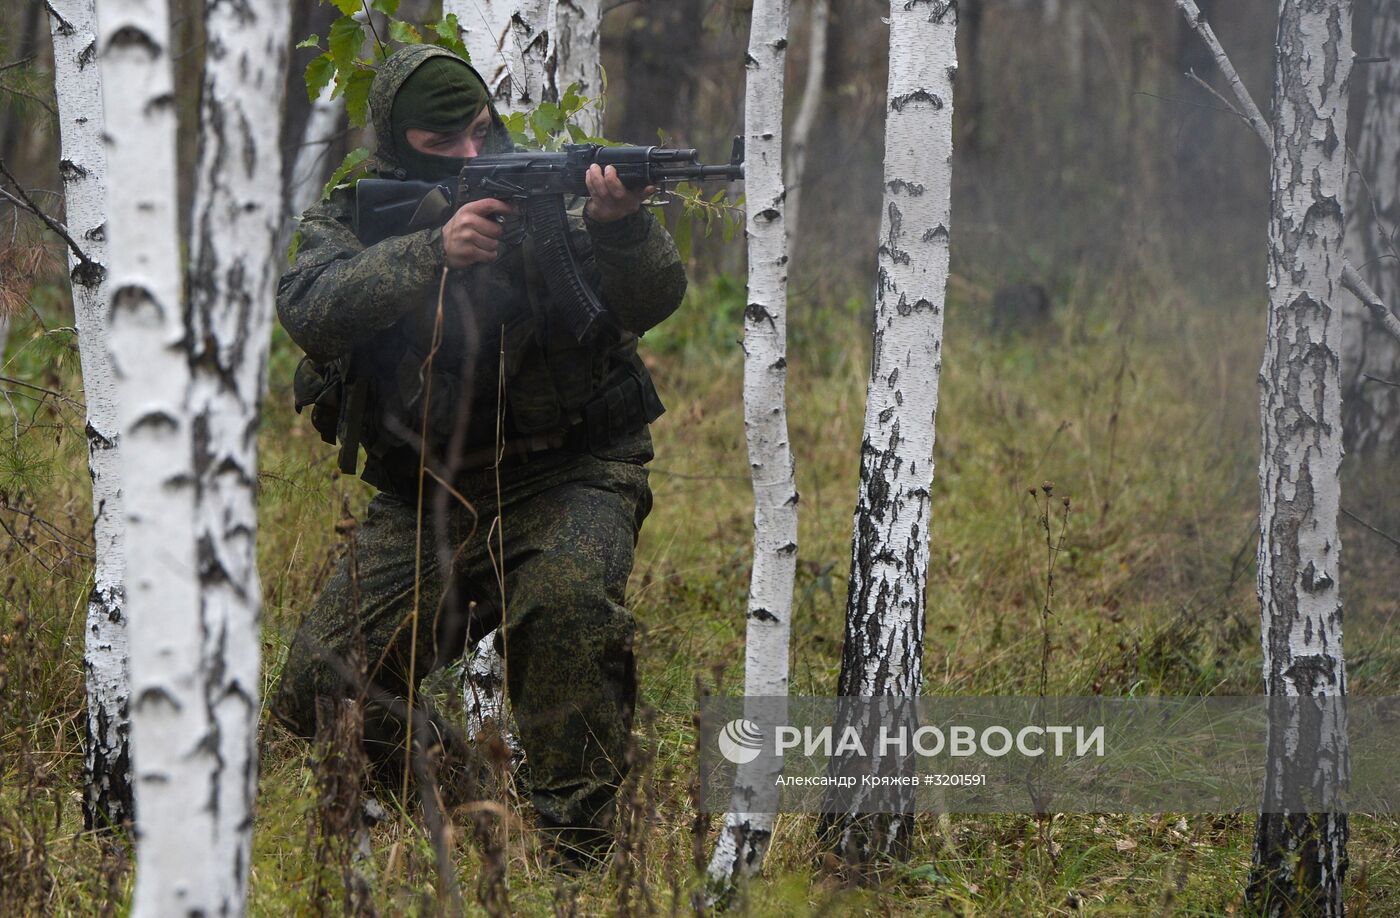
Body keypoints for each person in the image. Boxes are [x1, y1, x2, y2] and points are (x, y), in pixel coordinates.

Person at [270, 44, 686, 863]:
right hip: (429, 494)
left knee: (565, 608)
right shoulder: (354, 211)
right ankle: (476, 805)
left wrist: (620, 225)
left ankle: (580, 855)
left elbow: (655, 297)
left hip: (572, 470)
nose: (470, 154)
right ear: (397, 142)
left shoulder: (545, 191)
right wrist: (431, 253)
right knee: (319, 686)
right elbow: (311, 309)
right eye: (440, 142)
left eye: (478, 131)